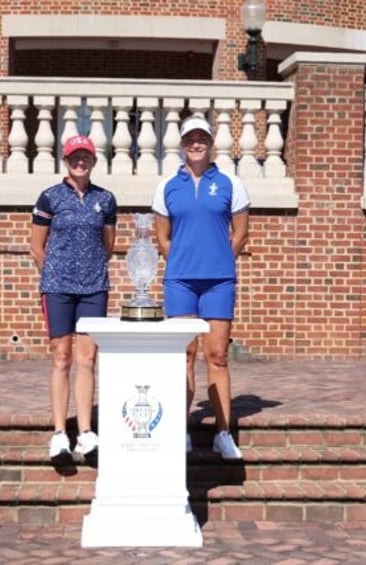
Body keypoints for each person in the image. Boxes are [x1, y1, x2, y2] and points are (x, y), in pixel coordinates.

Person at [151, 115, 250, 460]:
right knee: (185, 356)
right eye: (190, 138)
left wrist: (221, 259)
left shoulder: (230, 184)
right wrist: (181, 261)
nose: (196, 143)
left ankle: (223, 432)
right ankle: (181, 431)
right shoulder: (166, 187)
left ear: (210, 143)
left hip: (219, 282)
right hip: (180, 282)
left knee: (217, 356)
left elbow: (240, 233)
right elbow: (162, 237)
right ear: (182, 144)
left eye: (202, 138)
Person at [30, 134, 117, 461]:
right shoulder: (50, 197)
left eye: (86, 157)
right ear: (65, 160)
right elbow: (37, 246)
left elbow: (108, 245)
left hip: (94, 287)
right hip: (58, 288)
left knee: (87, 359)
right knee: (62, 357)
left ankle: (85, 432)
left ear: (94, 160)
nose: (80, 162)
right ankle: (58, 434)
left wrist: (88, 267)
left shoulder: (105, 199)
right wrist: (55, 273)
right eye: (74, 157)